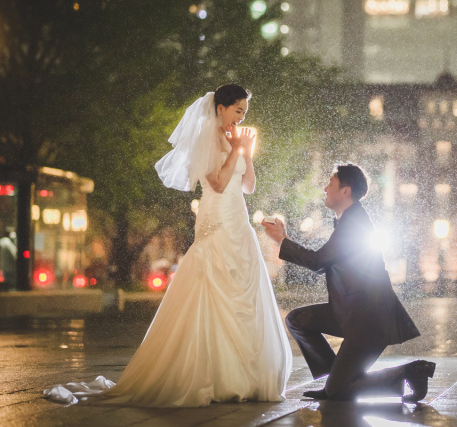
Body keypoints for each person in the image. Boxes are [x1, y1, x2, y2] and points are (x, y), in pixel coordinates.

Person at [44, 85, 292, 407]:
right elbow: (217, 184)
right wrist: (235, 150)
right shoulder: (207, 138)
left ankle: (246, 374)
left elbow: (248, 186)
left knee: (244, 286)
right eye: (237, 110)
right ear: (220, 109)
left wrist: (245, 151)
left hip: (239, 221)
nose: (241, 117)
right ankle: (210, 374)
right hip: (216, 219)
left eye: (244, 112)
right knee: (212, 281)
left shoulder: (237, 140)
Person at [262, 163, 434, 402]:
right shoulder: (349, 220)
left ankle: (410, 372)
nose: (325, 189)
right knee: (297, 320)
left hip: (370, 320)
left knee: (339, 391)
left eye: (330, 184)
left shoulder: (354, 224)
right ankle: (337, 377)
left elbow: (318, 261)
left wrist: (282, 240)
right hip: (352, 313)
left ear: (346, 191)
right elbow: (323, 262)